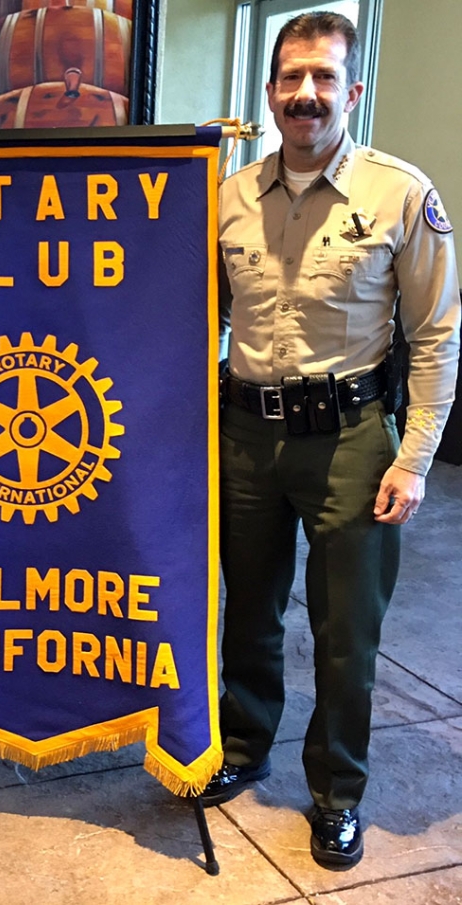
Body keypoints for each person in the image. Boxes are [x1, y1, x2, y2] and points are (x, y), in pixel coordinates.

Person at [208, 11, 460, 869]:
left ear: (352, 91)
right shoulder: (229, 196)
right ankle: (242, 748)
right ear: (270, 91)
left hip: (352, 436)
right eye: (291, 79)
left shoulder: (400, 193)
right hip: (244, 433)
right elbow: (192, 314)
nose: (305, 94)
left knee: (346, 627)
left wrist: (415, 456)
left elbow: (435, 335)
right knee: (247, 610)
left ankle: (336, 792)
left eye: (323, 79)